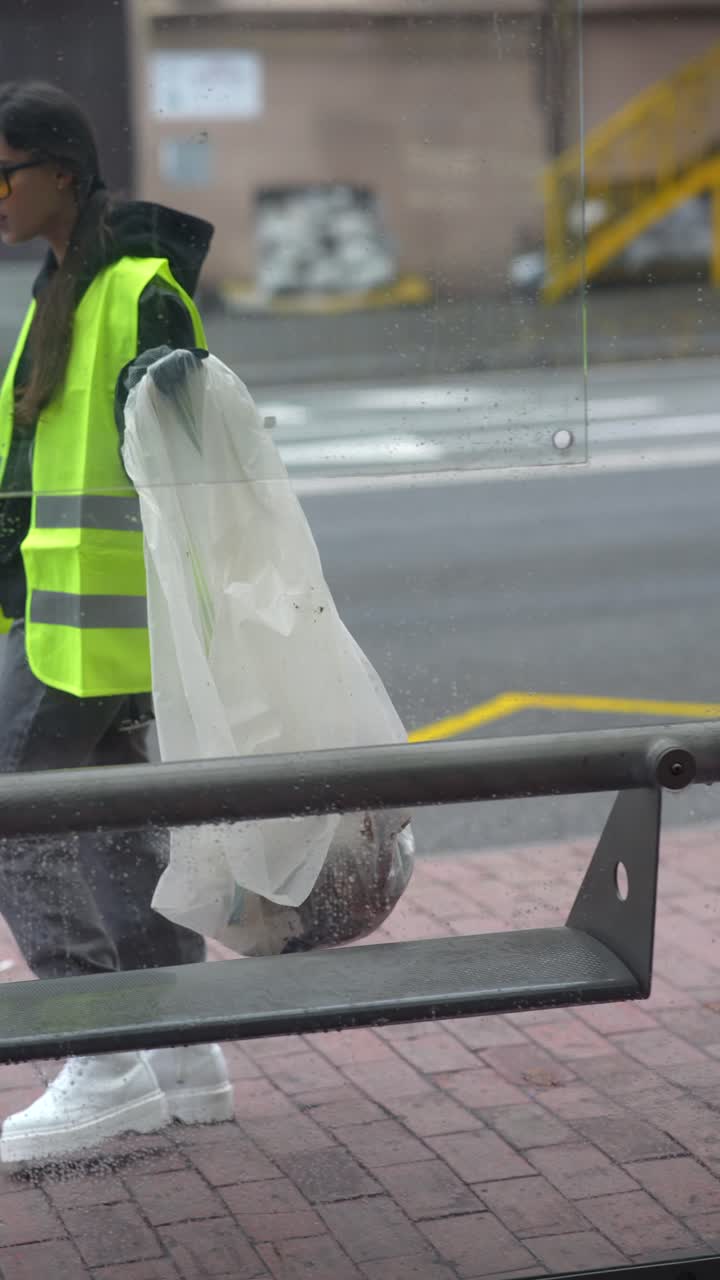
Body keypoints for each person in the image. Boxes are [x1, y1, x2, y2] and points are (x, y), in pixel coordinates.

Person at [0, 81, 233, 1164]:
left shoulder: (137, 291)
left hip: (103, 628)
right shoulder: (61, 288)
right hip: (67, 619)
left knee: (18, 801)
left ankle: (103, 1057)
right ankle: (181, 1047)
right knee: (114, 823)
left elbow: (203, 469)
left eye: (1, 173)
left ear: (62, 172)